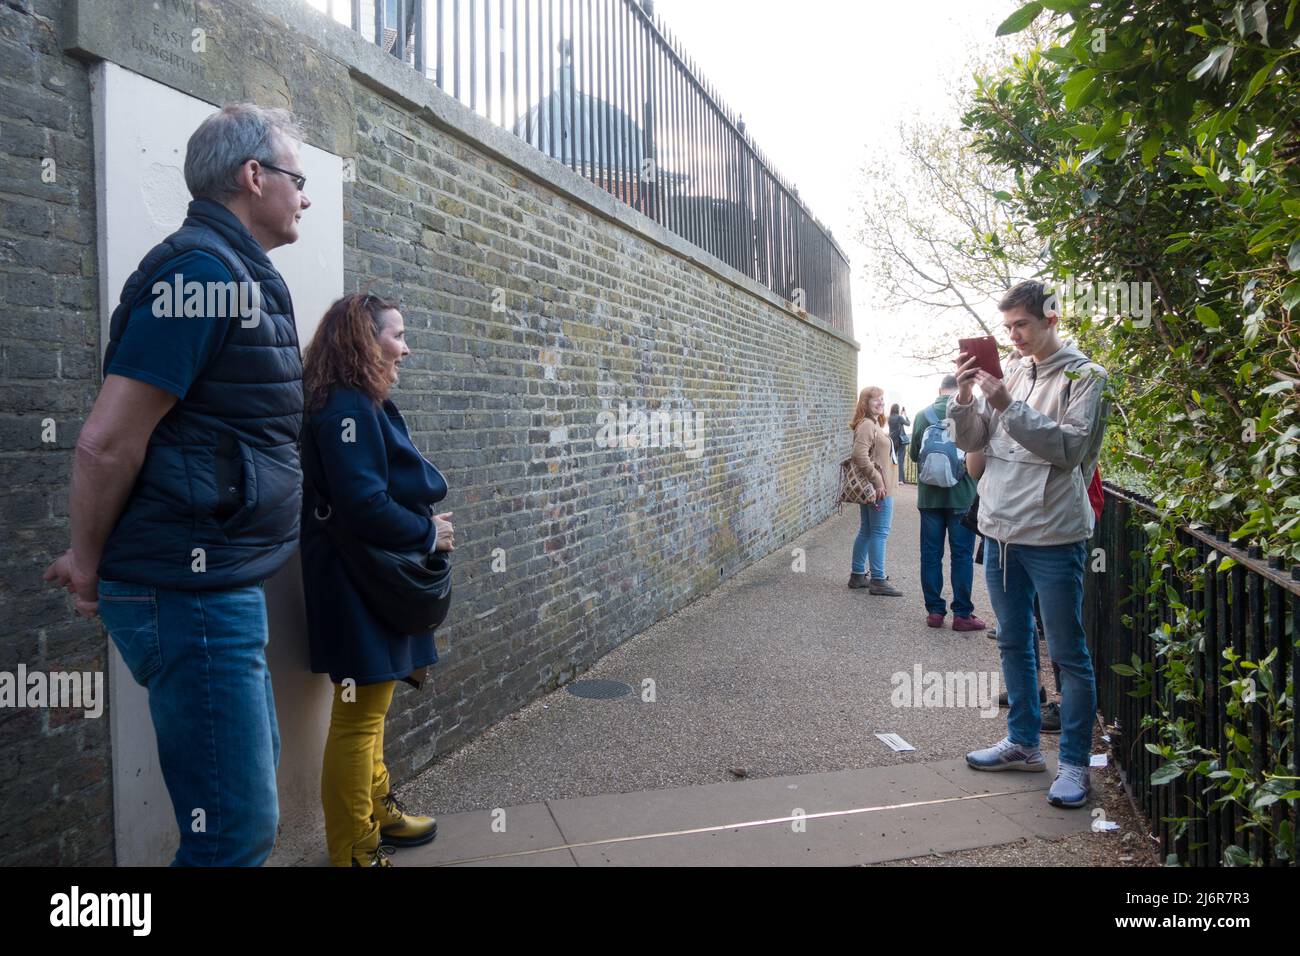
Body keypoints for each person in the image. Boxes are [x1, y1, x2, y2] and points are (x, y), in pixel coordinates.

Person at [42, 104, 312, 865]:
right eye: (297, 178)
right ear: (252, 177)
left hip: (218, 585)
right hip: (189, 595)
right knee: (230, 834)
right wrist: (86, 561)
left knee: (239, 822)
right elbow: (105, 441)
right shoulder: (201, 273)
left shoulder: (233, 271)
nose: (306, 195)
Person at [300, 292, 451, 867]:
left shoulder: (350, 399)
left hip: (363, 578)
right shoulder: (346, 406)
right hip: (357, 582)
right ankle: (353, 851)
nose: (405, 347)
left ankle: (376, 811)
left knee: (370, 709)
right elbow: (362, 503)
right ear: (364, 339)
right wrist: (427, 533)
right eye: (397, 335)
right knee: (359, 715)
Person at [950, 279, 1109, 809]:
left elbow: (1068, 450)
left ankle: (1073, 764)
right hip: (998, 533)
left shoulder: (1087, 376)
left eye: (1022, 324)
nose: (1014, 335)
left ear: (1051, 318)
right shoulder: (1011, 371)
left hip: (1054, 535)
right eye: (1008, 327)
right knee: (1013, 641)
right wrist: (968, 398)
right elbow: (975, 445)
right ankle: (1021, 743)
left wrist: (1008, 405)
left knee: (1067, 653)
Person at [909, 375, 985, 632]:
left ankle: (935, 611)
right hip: (962, 497)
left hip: (929, 498)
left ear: (939, 390)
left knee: (931, 555)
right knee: (961, 556)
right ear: (959, 391)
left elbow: (913, 455)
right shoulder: (970, 414)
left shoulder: (922, 415)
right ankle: (962, 614)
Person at [847, 386, 902, 596]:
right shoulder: (867, 425)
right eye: (875, 400)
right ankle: (878, 579)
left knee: (868, 530)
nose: (880, 403)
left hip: (875, 489)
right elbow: (859, 455)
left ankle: (858, 575)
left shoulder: (873, 424)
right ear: (865, 403)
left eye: (882, 399)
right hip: (879, 490)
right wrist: (878, 480)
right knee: (879, 532)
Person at [888, 403, 911, 484]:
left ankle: (891, 478)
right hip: (900, 441)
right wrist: (905, 415)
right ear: (898, 409)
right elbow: (908, 424)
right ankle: (900, 480)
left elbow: (895, 425)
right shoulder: (900, 417)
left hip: (892, 441)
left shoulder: (889, 418)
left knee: (892, 459)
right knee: (900, 460)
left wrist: (901, 415)